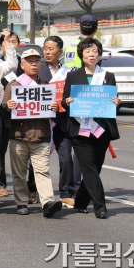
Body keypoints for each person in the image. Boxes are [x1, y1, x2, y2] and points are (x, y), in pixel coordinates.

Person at [0, 49, 63, 218]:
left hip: (41, 135)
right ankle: (21, 201)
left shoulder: (46, 87)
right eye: (30, 61)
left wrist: (55, 109)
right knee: (19, 172)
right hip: (18, 136)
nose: (34, 64)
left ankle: (47, 202)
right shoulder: (13, 86)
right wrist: (8, 107)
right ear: (22, 65)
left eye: (37, 61)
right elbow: (2, 113)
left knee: (42, 170)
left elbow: (54, 114)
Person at [63, 37, 121, 219]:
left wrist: (117, 103)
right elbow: (66, 101)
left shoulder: (107, 76)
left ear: (99, 54)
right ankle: (100, 206)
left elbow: (113, 102)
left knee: (95, 167)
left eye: (95, 51)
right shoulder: (73, 76)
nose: (91, 54)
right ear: (82, 54)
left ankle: (80, 202)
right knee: (88, 167)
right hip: (81, 129)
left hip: (101, 130)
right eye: (88, 51)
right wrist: (68, 102)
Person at [39, 36, 81, 208]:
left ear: (60, 52)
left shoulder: (69, 73)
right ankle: (32, 188)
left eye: (51, 49)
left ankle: (66, 192)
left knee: (65, 159)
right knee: (38, 159)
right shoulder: (38, 69)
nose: (47, 52)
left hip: (62, 121)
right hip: (42, 122)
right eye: (45, 48)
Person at [0, 29, 19, 198]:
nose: (10, 45)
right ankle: (0, 182)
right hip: (1, 113)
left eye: (14, 41)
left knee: (21, 150)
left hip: (22, 113)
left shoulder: (25, 65)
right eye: (7, 42)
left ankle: (25, 186)